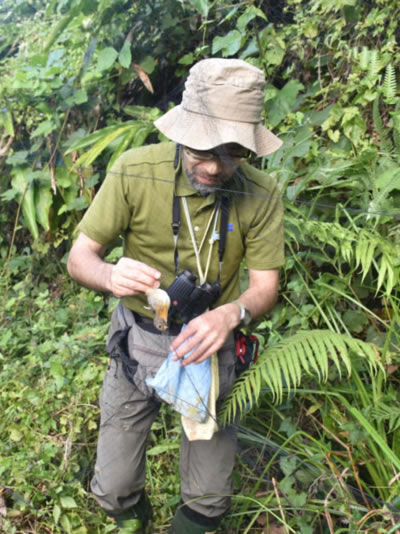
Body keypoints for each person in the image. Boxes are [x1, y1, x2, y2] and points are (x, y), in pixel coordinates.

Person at [67, 58, 284, 533]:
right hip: (139, 344)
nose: (211, 166)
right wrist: (109, 276)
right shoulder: (135, 170)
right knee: (113, 487)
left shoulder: (261, 193)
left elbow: (265, 286)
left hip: (210, 349)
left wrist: (231, 314)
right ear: (181, 133)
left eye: (229, 153)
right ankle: (132, 517)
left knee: (209, 502)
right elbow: (79, 257)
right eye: (201, 149)